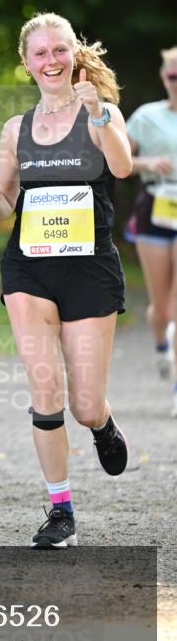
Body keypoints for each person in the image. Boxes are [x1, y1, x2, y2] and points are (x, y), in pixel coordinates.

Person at [0, 12, 133, 548]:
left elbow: (124, 167)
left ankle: (103, 424)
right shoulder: (15, 129)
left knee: (84, 404)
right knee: (45, 388)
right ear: (26, 64)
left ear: (74, 53)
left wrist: (100, 114)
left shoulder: (101, 111)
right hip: (29, 268)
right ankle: (60, 509)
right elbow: (6, 199)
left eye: (58, 50)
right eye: (39, 54)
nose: (50, 61)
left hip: (89, 269)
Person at [124, 47, 177, 416]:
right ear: (163, 78)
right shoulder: (146, 116)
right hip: (155, 208)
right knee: (161, 306)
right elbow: (120, 162)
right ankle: (161, 343)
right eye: (173, 75)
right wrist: (148, 162)